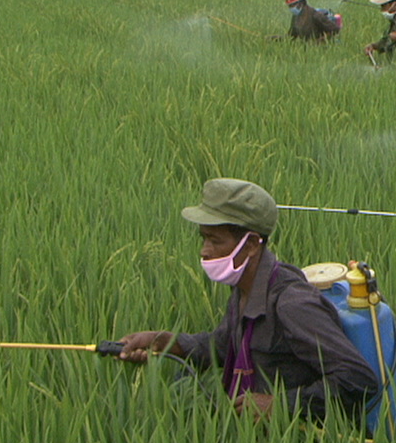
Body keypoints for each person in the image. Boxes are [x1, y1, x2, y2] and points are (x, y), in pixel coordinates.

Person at [116, 178, 379, 421]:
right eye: (204, 238)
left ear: (252, 244)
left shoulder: (292, 304)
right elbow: (221, 347)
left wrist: (281, 404)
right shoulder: (247, 286)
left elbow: (357, 379)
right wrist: (163, 341)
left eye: (214, 240)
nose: (204, 251)